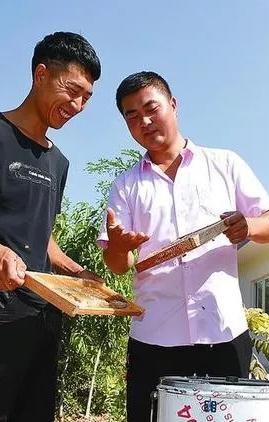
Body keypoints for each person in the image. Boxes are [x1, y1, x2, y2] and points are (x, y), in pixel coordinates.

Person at [97, 71, 269, 421]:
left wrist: (248, 226)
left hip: (224, 333)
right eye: (131, 116)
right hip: (154, 339)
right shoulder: (125, 185)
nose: (145, 121)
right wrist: (119, 247)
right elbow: (119, 264)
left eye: (151, 108)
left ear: (174, 105)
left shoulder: (225, 163)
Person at [0, 32, 102, 422]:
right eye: (72, 90)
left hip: (41, 315)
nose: (77, 106)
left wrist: (77, 273)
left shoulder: (58, 162)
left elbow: (43, 233)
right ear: (41, 75)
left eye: (86, 98)